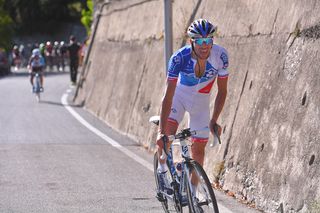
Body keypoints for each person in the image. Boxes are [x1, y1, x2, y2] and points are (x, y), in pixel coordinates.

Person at [155, 19, 229, 195]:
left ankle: (193, 194)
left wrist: (214, 120)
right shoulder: (179, 58)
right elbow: (168, 95)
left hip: (201, 103)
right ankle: (162, 169)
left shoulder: (221, 56)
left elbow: (222, 91)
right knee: (168, 133)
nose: (205, 46)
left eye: (208, 41)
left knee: (199, 152)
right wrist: (161, 131)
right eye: (200, 41)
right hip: (179, 97)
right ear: (191, 42)